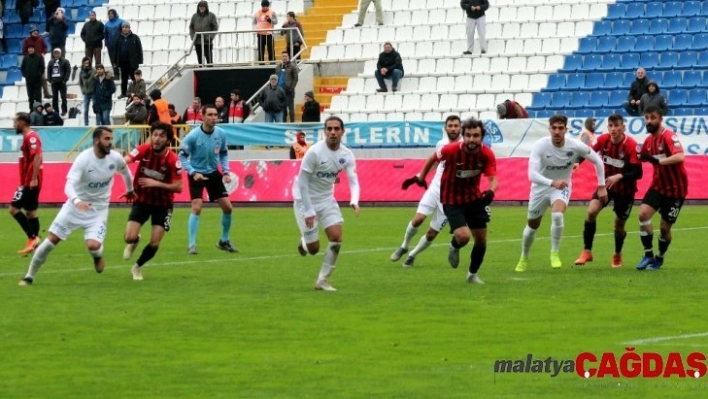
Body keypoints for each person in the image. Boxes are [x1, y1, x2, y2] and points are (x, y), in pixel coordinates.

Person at [18, 126, 136, 286]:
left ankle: (97, 256)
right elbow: (69, 185)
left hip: (98, 210)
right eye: (106, 139)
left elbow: (126, 172)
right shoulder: (84, 159)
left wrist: (130, 190)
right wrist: (77, 201)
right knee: (50, 241)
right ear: (96, 140)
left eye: (111, 139)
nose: (110, 142)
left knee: (94, 246)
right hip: (74, 208)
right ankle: (29, 276)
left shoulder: (115, 158)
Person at [405, 118, 497, 283]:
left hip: (474, 199)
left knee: (481, 240)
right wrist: (421, 177)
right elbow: (432, 159)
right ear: (464, 136)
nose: (471, 139)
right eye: (468, 135)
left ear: (481, 137)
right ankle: (454, 246)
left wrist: (491, 191)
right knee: (463, 237)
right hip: (451, 199)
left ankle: (472, 275)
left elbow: (493, 178)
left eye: (475, 135)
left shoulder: (487, 153)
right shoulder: (451, 150)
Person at [515, 114, 607, 272]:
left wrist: (601, 185)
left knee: (557, 215)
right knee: (532, 225)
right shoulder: (540, 145)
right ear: (549, 129)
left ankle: (554, 253)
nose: (557, 132)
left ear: (566, 129)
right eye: (554, 128)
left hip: (562, 187)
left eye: (560, 128)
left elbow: (597, 161)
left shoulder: (574, 145)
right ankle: (524, 256)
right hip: (541, 188)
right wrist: (552, 182)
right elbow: (532, 175)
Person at [293, 116, 360, 291]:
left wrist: (354, 200)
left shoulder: (346, 155)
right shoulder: (314, 152)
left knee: (337, 238)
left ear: (342, 132)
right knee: (314, 249)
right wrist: (308, 210)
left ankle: (322, 281)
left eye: (336, 129)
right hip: (305, 200)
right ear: (324, 131)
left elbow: (353, 180)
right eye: (329, 129)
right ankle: (305, 241)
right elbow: (302, 182)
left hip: (326, 199)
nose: (333, 132)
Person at [391, 115, 462, 266]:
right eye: (451, 125)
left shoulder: (465, 146)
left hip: (450, 198)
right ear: (446, 128)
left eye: (456, 125)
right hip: (435, 189)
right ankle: (404, 245)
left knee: (431, 233)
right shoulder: (441, 144)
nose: (453, 128)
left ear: (460, 127)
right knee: (418, 219)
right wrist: (419, 177)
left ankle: (412, 255)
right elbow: (435, 163)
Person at [574, 114, 642, 268]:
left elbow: (638, 173)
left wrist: (620, 176)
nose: (613, 129)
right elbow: (587, 152)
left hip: (625, 190)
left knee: (619, 225)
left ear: (623, 128)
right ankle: (587, 251)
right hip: (606, 186)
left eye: (616, 126)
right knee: (591, 212)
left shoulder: (631, 145)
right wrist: (578, 162)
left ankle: (617, 254)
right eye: (610, 126)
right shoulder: (603, 140)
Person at [123, 122, 183, 281]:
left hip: (163, 205)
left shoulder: (173, 160)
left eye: (162, 136)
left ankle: (137, 267)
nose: (157, 139)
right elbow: (126, 160)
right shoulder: (144, 149)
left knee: (155, 242)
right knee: (129, 237)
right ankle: (134, 241)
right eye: (155, 135)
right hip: (141, 200)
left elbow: (179, 187)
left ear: (168, 140)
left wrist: (157, 183)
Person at [635, 106, 689, 271]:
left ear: (660, 119)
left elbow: (680, 156)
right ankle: (648, 254)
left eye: (653, 118)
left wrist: (657, 161)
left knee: (665, 229)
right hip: (658, 186)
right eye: (647, 118)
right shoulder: (648, 141)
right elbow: (640, 156)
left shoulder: (668, 136)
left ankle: (660, 257)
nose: (649, 121)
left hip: (676, 190)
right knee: (643, 214)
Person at [178, 105, 237, 255]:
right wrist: (192, 172)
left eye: (215, 115)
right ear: (202, 117)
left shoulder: (221, 134)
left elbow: (223, 153)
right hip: (196, 173)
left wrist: (226, 172)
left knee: (228, 208)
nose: (213, 118)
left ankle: (224, 241)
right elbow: (182, 156)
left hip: (213, 173)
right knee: (197, 207)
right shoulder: (192, 135)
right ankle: (191, 244)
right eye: (210, 114)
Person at [10, 112, 43, 255]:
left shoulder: (32, 137)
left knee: (13, 209)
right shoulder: (27, 138)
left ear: (23, 122)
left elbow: (37, 156)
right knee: (31, 212)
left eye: (15, 121)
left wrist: (34, 178)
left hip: (31, 180)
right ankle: (34, 245)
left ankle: (32, 238)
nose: (14, 124)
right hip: (28, 179)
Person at [114, 22, 144, 99]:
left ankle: (138, 93)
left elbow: (139, 49)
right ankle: (123, 93)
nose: (125, 29)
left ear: (129, 28)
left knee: (135, 79)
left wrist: (139, 60)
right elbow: (115, 51)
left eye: (126, 27)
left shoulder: (135, 37)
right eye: (123, 27)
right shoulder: (118, 38)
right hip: (123, 62)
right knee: (124, 79)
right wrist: (116, 62)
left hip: (133, 62)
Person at [22, 26, 52, 99]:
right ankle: (32, 95)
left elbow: (45, 47)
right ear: (31, 33)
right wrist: (29, 56)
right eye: (34, 31)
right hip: (31, 62)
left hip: (39, 61)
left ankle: (46, 93)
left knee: (43, 78)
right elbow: (24, 50)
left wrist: (43, 53)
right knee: (30, 80)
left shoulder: (40, 39)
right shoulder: (27, 40)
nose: (36, 32)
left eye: (37, 31)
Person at [190, 0, 219, 65]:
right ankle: (200, 69)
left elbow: (215, 27)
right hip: (197, 41)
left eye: (203, 7)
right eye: (200, 7)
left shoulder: (211, 16)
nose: (202, 9)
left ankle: (210, 70)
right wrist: (193, 36)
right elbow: (191, 27)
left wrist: (210, 37)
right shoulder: (195, 16)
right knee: (199, 58)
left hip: (207, 41)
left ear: (206, 7)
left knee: (209, 58)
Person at [275, 51, 299, 123]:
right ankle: (284, 123)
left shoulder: (293, 66)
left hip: (289, 91)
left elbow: (296, 78)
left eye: (286, 56)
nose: (284, 57)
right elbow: (276, 77)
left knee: (291, 109)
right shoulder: (278, 67)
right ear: (281, 57)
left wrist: (291, 88)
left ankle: (292, 122)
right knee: (283, 109)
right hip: (280, 91)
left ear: (288, 57)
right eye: (283, 56)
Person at [21, 44, 45, 112]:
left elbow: (42, 67)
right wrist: (25, 75)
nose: (30, 49)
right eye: (29, 48)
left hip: (37, 81)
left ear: (34, 49)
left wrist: (38, 74)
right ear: (28, 49)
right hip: (29, 81)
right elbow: (22, 68)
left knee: (38, 97)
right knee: (30, 97)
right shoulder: (25, 58)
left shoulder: (39, 57)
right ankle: (31, 110)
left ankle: (39, 110)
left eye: (31, 48)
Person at [47, 48, 70, 117]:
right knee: (55, 97)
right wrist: (50, 80)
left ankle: (64, 110)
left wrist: (64, 80)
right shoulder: (51, 62)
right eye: (55, 53)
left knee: (63, 97)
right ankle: (56, 111)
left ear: (60, 53)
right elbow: (48, 71)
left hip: (61, 82)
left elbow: (68, 71)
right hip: (54, 82)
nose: (56, 55)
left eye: (58, 53)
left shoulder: (65, 61)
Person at [104, 9, 124, 79]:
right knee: (113, 60)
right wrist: (106, 43)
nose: (110, 15)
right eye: (109, 14)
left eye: (112, 13)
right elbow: (105, 35)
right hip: (111, 45)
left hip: (120, 44)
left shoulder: (121, 22)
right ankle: (116, 74)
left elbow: (125, 32)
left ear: (114, 14)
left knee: (122, 59)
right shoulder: (106, 24)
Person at [78, 57, 96, 126]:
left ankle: (98, 123)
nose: (86, 64)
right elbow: (80, 82)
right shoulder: (81, 72)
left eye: (87, 63)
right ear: (83, 63)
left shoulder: (93, 71)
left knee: (96, 108)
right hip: (86, 93)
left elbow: (96, 81)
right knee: (85, 110)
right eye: (85, 63)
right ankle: (86, 123)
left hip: (93, 92)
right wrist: (83, 90)